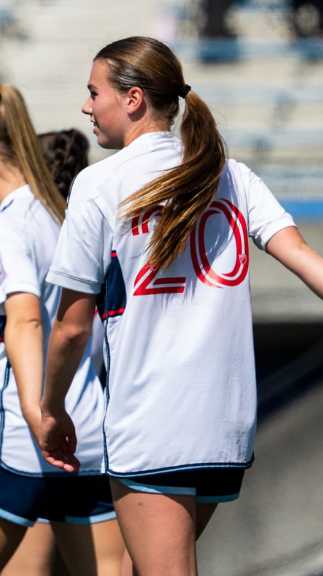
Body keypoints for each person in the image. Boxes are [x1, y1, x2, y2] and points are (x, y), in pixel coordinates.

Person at [32, 36, 323, 575]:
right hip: (225, 424)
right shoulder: (231, 174)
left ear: (132, 99)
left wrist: (50, 408)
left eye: (93, 92)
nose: (86, 107)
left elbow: (71, 328)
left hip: (154, 421)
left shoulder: (100, 183)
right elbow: (300, 254)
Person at [0, 86, 123, 574]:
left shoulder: (9, 221)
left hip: (28, 432)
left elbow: (26, 317)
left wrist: (37, 411)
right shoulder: (51, 210)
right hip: (87, 426)